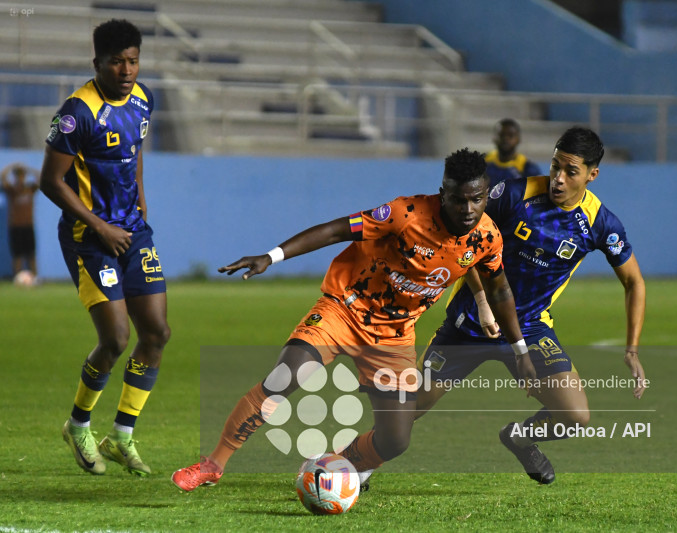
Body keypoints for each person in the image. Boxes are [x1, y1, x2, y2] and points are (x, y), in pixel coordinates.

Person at [171, 148, 537, 492]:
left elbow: (500, 289)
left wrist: (519, 348)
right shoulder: (405, 214)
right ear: (443, 193)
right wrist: (272, 256)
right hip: (344, 308)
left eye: (478, 199)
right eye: (459, 199)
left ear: (487, 194)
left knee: (395, 440)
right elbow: (335, 230)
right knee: (284, 376)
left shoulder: (487, 237)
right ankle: (213, 465)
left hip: (393, 337)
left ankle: (335, 465)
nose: (468, 208)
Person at [362, 126, 646, 487]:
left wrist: (632, 349)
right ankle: (360, 463)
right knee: (411, 408)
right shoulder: (514, 195)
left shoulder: (600, 224)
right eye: (555, 165)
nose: (557, 179)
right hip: (469, 323)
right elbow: (465, 244)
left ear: (592, 175)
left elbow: (634, 282)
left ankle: (521, 437)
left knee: (575, 415)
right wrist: (482, 302)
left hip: (529, 327)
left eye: (570, 172)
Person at [40, 19, 170, 477]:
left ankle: (122, 436)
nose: (127, 69)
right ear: (97, 63)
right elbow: (49, 181)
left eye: (133, 60)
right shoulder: (77, 112)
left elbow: (133, 152)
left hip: (133, 232)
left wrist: (141, 197)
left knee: (155, 334)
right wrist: (99, 225)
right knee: (115, 339)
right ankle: (78, 425)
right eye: (117, 61)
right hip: (89, 239)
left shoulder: (144, 100)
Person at [1, 163, 40, 279]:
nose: (20, 178)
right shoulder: (12, 190)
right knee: (17, 255)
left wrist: (28, 168)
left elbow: (40, 178)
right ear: (15, 177)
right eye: (18, 175)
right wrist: (12, 166)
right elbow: (2, 177)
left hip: (28, 226)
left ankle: (35, 278)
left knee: (31, 254)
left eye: (22, 175)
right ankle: (17, 278)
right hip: (15, 226)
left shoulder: (29, 189)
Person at [484, 118, 542, 186]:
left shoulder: (527, 168)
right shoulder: (483, 162)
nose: (506, 138)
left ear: (518, 139)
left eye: (510, 135)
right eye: (501, 135)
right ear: (494, 138)